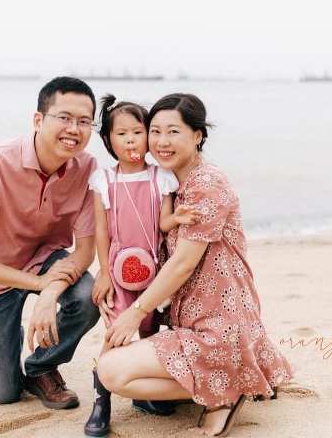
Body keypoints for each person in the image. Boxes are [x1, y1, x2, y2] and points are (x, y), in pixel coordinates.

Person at [96, 93, 293, 437]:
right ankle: (231, 377)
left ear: (197, 135)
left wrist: (135, 313)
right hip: (194, 321)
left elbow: (182, 265)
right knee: (115, 363)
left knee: (111, 372)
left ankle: (228, 391)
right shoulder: (171, 184)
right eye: (155, 132)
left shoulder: (206, 184)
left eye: (173, 131)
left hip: (219, 326)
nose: (161, 141)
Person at [0, 76, 100, 410]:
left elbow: (85, 251)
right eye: (64, 117)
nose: (74, 129)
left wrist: (49, 291)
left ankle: (41, 367)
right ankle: (7, 339)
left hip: (44, 260)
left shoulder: (87, 167)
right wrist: (38, 284)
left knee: (88, 296)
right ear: (38, 120)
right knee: (4, 393)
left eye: (84, 121)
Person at [84, 95, 200, 437]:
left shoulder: (160, 177)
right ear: (108, 140)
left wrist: (177, 217)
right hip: (118, 272)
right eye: (122, 134)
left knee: (150, 331)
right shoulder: (103, 180)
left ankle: (144, 395)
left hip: (154, 270)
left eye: (138, 132)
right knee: (115, 333)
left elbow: (163, 224)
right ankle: (101, 398)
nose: (131, 140)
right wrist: (104, 272)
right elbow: (101, 231)